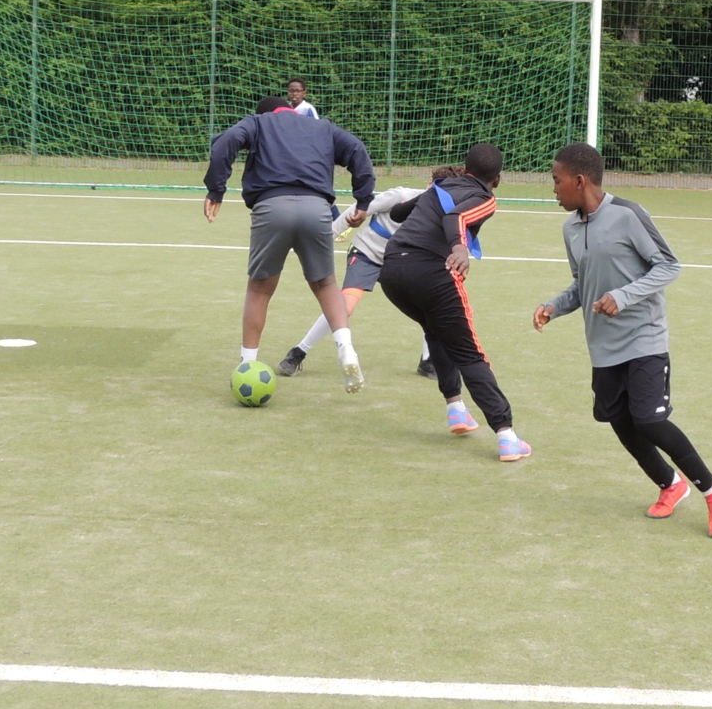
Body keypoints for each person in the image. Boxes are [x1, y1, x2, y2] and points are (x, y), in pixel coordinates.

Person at [534, 143, 712, 536]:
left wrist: (623, 296)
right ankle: (670, 484)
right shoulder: (570, 228)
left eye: (557, 181)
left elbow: (669, 266)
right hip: (603, 347)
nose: (553, 189)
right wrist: (553, 306)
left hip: (645, 338)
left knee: (649, 420)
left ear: (580, 180)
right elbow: (582, 285)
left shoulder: (627, 214)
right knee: (619, 420)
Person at [204, 94, 375, 390]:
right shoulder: (322, 127)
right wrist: (363, 199)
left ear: (265, 114)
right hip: (317, 208)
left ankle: (247, 364)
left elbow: (224, 143)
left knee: (259, 289)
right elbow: (357, 149)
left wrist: (216, 189)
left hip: (272, 207)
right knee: (326, 284)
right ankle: (346, 347)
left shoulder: (258, 123)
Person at [378, 143, 530, 462]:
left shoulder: (441, 187)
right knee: (469, 354)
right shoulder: (486, 198)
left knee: (436, 332)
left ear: (466, 167)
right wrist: (459, 247)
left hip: (392, 271)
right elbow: (456, 217)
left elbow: (397, 213)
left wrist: (428, 198)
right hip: (430, 273)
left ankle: (456, 409)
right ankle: (506, 436)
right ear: (497, 179)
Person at [275, 185, 435, 378]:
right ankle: (299, 352)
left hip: (400, 262)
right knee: (344, 307)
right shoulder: (401, 195)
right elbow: (359, 210)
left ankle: (428, 361)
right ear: (431, 184)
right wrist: (328, 237)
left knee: (430, 304)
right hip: (367, 254)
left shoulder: (440, 212)